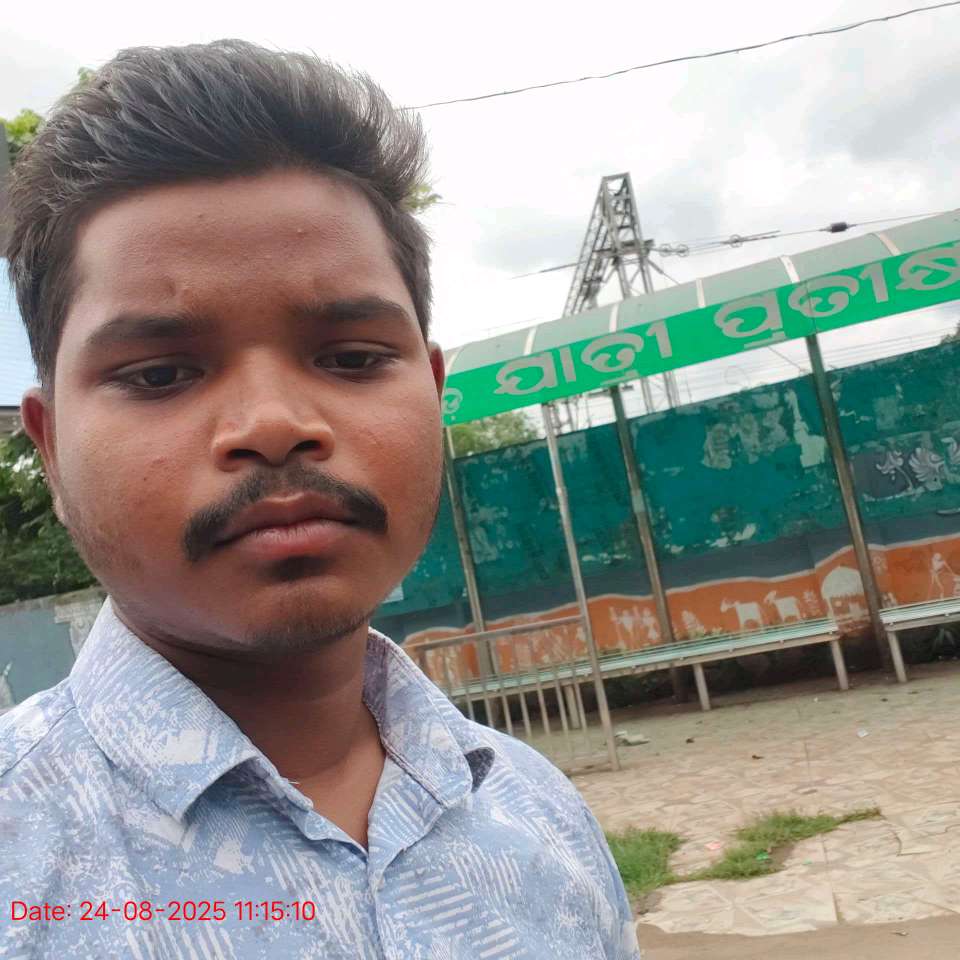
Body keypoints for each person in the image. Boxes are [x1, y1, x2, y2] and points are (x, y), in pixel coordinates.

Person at [0, 40, 640, 959]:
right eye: (161, 373)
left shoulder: (541, 816)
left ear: (433, 395)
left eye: (351, 358)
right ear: (53, 448)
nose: (274, 425)